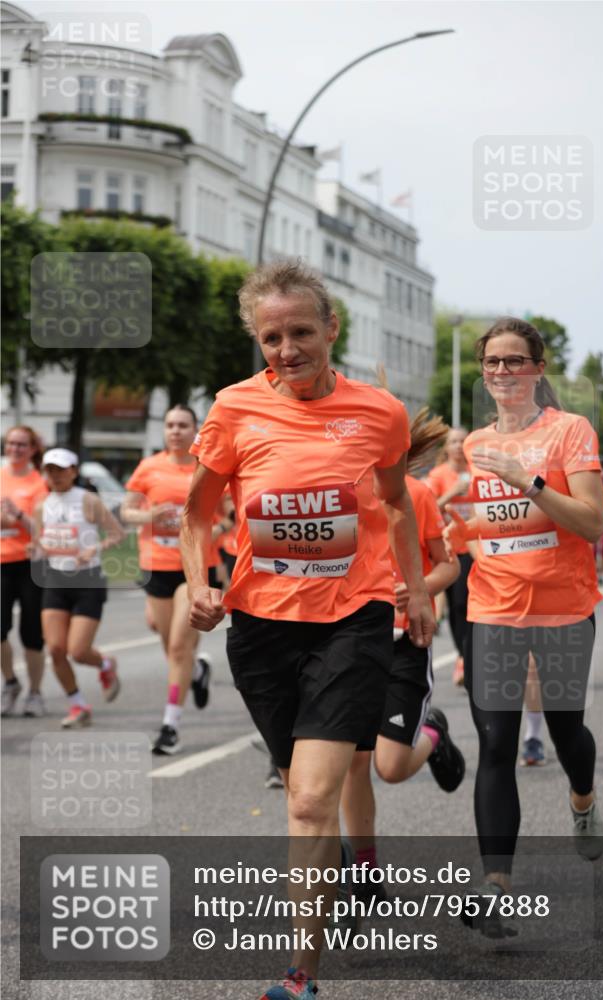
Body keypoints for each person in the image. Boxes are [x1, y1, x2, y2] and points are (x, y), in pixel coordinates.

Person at [181, 260, 434, 1000]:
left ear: (331, 328)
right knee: (301, 789)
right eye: (270, 337)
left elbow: (394, 505)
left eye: (299, 332)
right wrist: (199, 583)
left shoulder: (378, 413)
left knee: (308, 800)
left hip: (351, 621)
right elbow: (197, 514)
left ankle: (301, 971)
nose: (286, 349)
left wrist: (414, 591)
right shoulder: (231, 410)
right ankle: (324, 919)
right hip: (259, 627)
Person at [444, 317, 603, 936]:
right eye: (493, 363)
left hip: (564, 609)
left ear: (539, 369)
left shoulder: (570, 431)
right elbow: (496, 528)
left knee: (567, 736)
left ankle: (584, 801)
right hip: (493, 610)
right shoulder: (476, 443)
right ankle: (495, 886)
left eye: (516, 361)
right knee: (495, 745)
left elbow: (591, 524)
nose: (503, 372)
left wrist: (530, 482)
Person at [340, 407, 463, 884]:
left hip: (403, 644)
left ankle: (432, 733)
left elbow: (447, 567)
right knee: (353, 762)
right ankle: (367, 873)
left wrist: (418, 590)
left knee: (388, 769)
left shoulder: (418, 494)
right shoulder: (338, 495)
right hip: (349, 643)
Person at [122, 406, 222, 755]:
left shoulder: (206, 465)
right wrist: (150, 515)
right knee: (170, 649)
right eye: (170, 425)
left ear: (195, 430)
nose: (175, 431)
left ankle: (170, 725)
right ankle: (197, 671)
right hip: (157, 566)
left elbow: (227, 516)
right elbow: (126, 511)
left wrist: (209, 530)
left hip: (193, 567)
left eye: (183, 425)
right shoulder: (149, 468)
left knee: (179, 645)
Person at [33, 449, 124, 728]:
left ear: (73, 471)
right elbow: (41, 542)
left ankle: (105, 664)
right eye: (50, 470)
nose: (55, 476)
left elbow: (117, 534)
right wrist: (38, 549)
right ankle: (78, 705)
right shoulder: (41, 505)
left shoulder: (88, 500)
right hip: (56, 581)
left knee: (78, 651)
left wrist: (93, 548)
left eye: (61, 470)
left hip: (87, 580)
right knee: (56, 649)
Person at [1, 426, 48, 717]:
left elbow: (44, 529)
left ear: (32, 449)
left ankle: (35, 692)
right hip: (1, 563)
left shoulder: (39, 484)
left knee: (31, 634)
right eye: (11, 444)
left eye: (22, 445)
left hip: (30, 564)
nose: (15, 449)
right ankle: (10, 682)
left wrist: (18, 515)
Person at [424, 427, 475, 686]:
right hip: (449, 548)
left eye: (462, 441)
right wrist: (455, 491)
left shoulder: (478, 472)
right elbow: (429, 507)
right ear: (446, 447)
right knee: (458, 606)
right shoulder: (438, 475)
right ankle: (464, 656)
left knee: (474, 605)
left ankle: (470, 657)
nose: (458, 445)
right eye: (453, 441)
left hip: (477, 547)